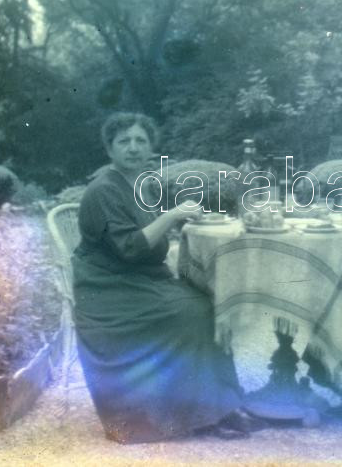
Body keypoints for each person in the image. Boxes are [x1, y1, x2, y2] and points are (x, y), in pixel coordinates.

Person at [72, 112, 255, 443]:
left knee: (206, 301)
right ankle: (201, 412)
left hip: (139, 280)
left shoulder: (140, 184)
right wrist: (172, 215)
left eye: (140, 141)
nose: (133, 148)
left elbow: (149, 241)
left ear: (150, 147)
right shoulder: (104, 190)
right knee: (194, 312)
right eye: (124, 141)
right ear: (109, 149)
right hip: (108, 289)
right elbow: (130, 248)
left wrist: (177, 222)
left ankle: (221, 405)